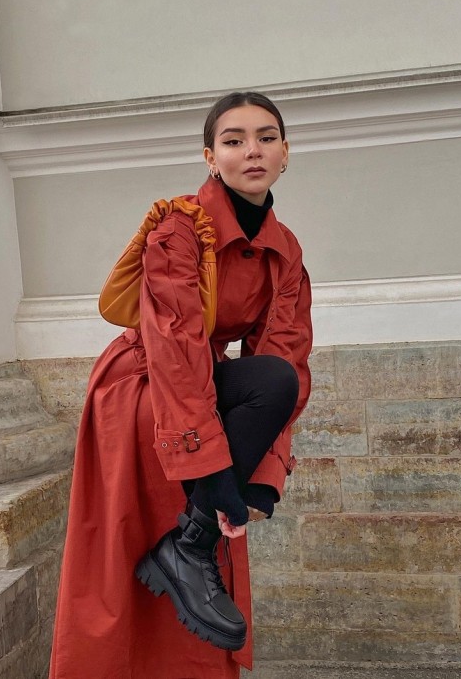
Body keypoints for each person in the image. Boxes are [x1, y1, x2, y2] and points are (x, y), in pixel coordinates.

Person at [48, 91, 313, 679]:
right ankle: (186, 547)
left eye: (267, 138)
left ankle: (188, 545)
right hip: (143, 386)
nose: (252, 151)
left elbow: (286, 356)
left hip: (202, 389)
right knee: (126, 554)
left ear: (286, 153)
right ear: (210, 157)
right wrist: (211, 465)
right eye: (234, 140)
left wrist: (263, 474)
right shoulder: (180, 226)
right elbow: (173, 343)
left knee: (273, 383)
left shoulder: (285, 249)